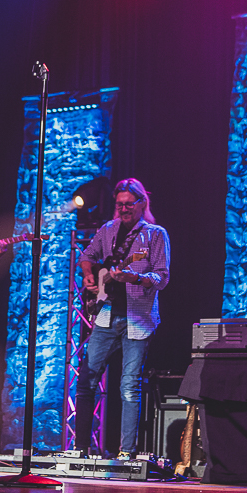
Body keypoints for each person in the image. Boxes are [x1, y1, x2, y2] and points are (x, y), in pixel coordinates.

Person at [76, 178, 170, 458]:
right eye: (120, 205)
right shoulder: (108, 230)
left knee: (128, 386)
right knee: (86, 379)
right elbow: (87, 255)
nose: (124, 209)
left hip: (137, 317)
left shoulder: (154, 234)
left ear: (142, 203)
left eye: (130, 204)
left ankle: (126, 453)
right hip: (106, 313)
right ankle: (80, 448)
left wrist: (137, 277)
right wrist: (88, 273)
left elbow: (162, 277)